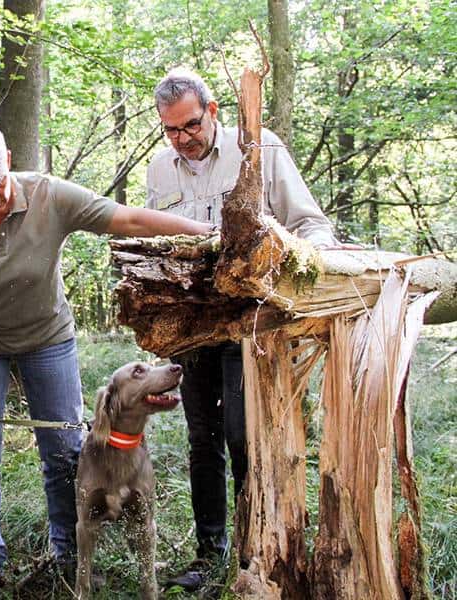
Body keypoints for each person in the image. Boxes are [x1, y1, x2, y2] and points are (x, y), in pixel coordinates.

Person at [0, 118, 211, 600]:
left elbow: (128, 218)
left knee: (63, 454)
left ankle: (69, 554)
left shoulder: (50, 196)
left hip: (47, 338)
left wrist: (202, 232)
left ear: (8, 161)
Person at [145, 67, 342, 591]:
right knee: (201, 439)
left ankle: (256, 551)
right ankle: (209, 554)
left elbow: (312, 223)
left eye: (190, 126)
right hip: (194, 326)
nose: (182, 139)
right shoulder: (160, 171)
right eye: (171, 130)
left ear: (212, 111)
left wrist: (305, 267)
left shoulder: (260, 149)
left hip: (252, 322)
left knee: (241, 435)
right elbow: (152, 239)